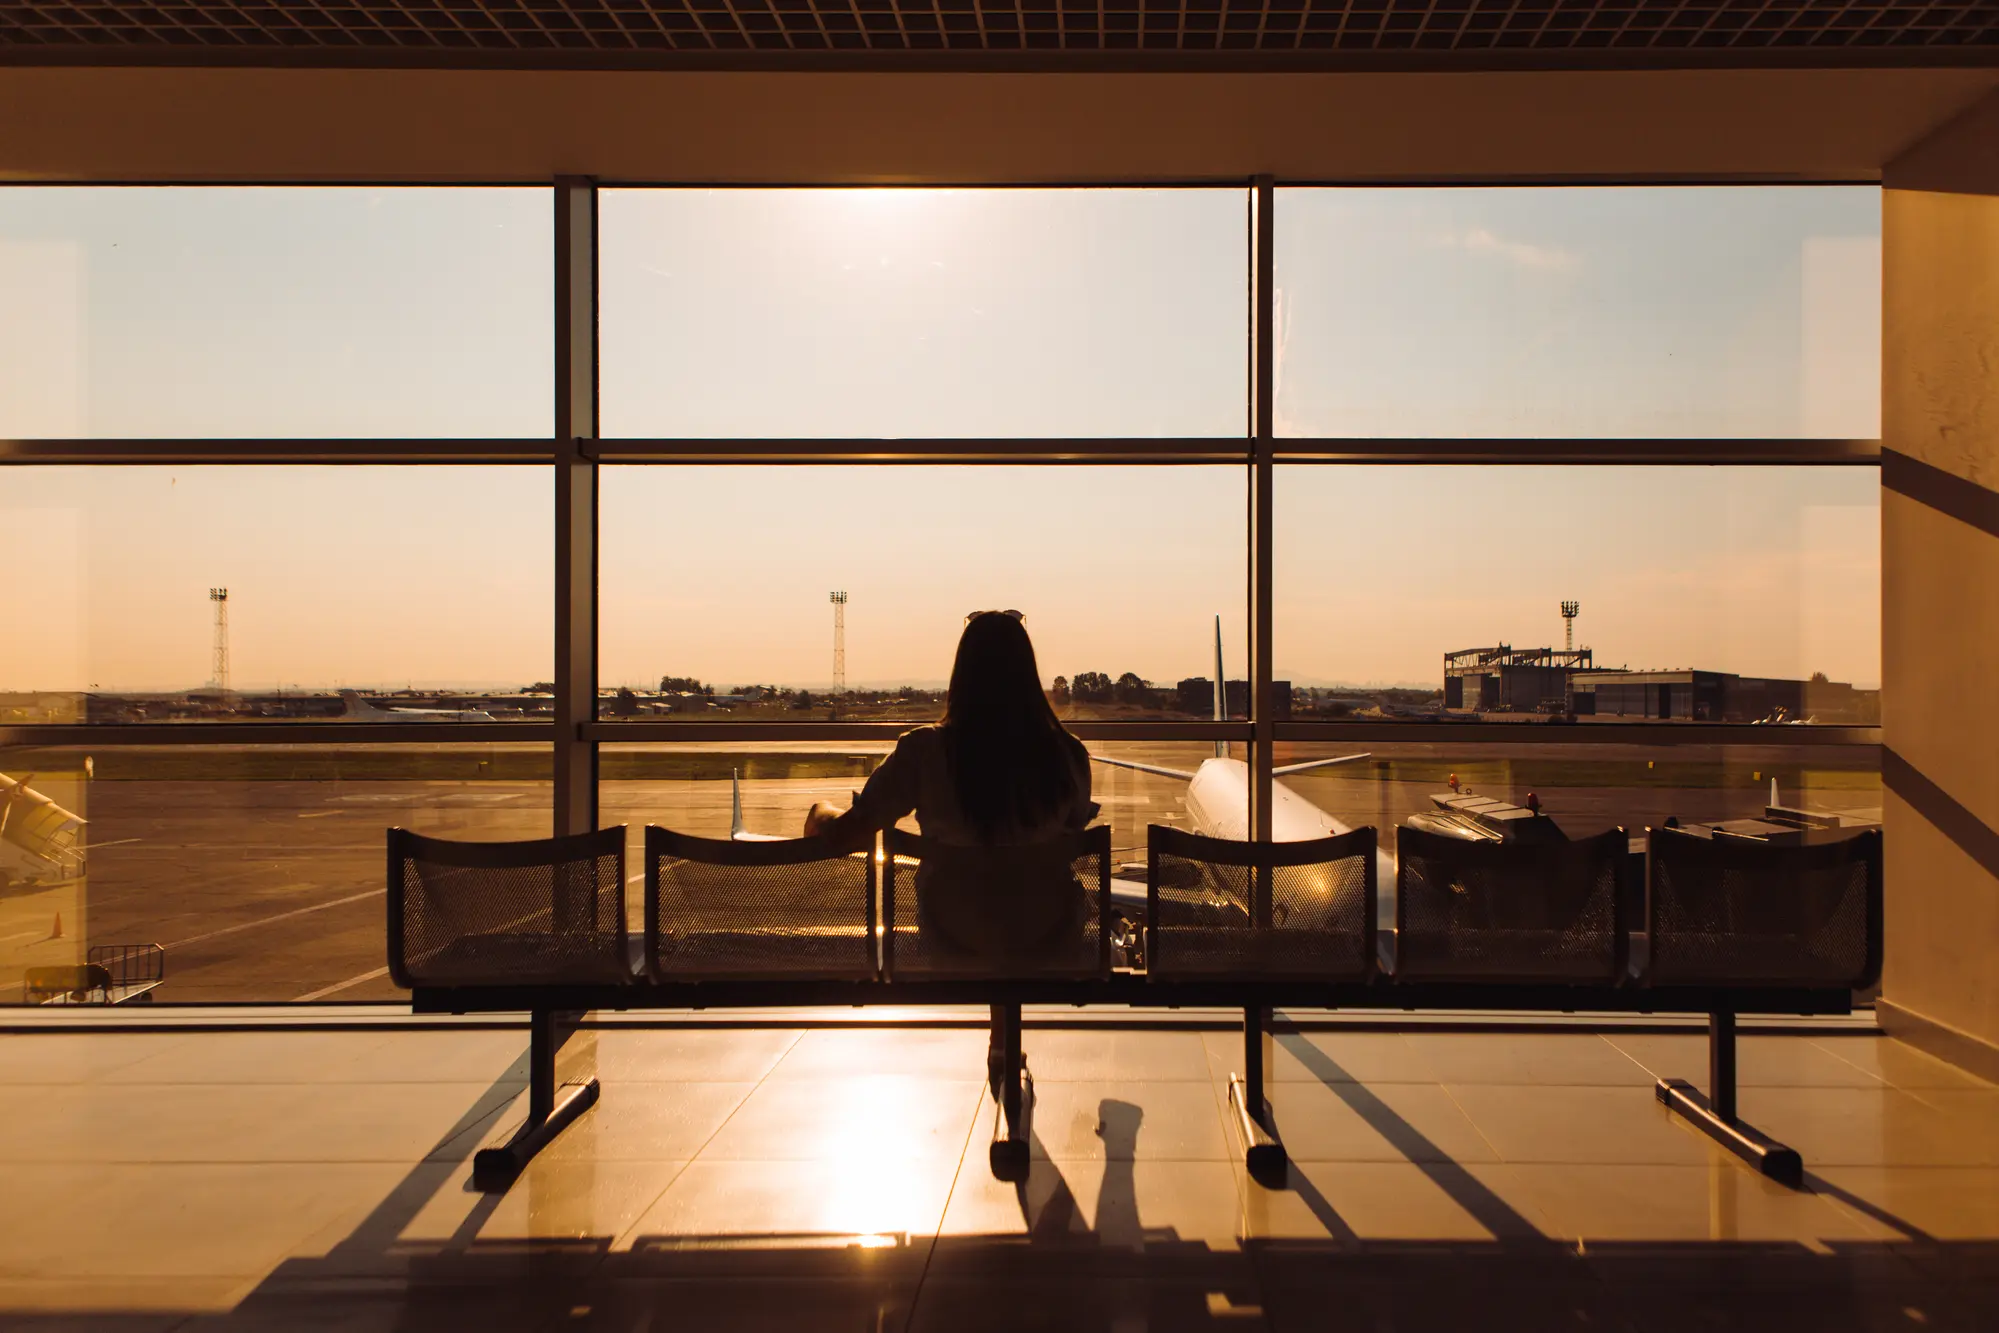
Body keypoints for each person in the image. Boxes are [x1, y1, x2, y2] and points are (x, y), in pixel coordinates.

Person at [804, 610, 1098, 1084]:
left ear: (961, 673)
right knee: (1017, 900)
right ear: (1029, 674)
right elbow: (1067, 838)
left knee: (986, 907)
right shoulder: (1068, 755)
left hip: (950, 940)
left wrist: (820, 813)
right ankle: (1004, 1043)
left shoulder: (922, 754)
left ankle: (1001, 1044)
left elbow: (854, 831)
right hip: (1048, 938)